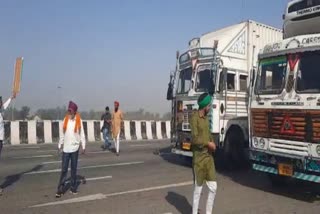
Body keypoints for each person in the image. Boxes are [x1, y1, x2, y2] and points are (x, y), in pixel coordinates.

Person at [190, 93, 217, 214]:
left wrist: (212, 143)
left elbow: (208, 134)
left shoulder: (206, 119)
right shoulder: (194, 118)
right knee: (198, 190)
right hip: (199, 159)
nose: (210, 107)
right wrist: (207, 143)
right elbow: (195, 139)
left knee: (213, 187)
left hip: (208, 158)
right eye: (209, 104)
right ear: (205, 105)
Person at [56, 101, 86, 198]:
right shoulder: (65, 120)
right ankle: (60, 189)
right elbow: (62, 134)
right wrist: (60, 144)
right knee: (64, 169)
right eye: (68, 111)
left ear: (75, 112)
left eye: (71, 111)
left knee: (73, 169)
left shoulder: (79, 120)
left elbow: (82, 134)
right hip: (66, 149)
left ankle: (73, 188)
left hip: (75, 148)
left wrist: (83, 145)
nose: (69, 113)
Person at [0, 94, 15, 159]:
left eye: (1, 102)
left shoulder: (1, 110)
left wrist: (11, 98)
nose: (1, 103)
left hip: (0, 138)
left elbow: (5, 105)